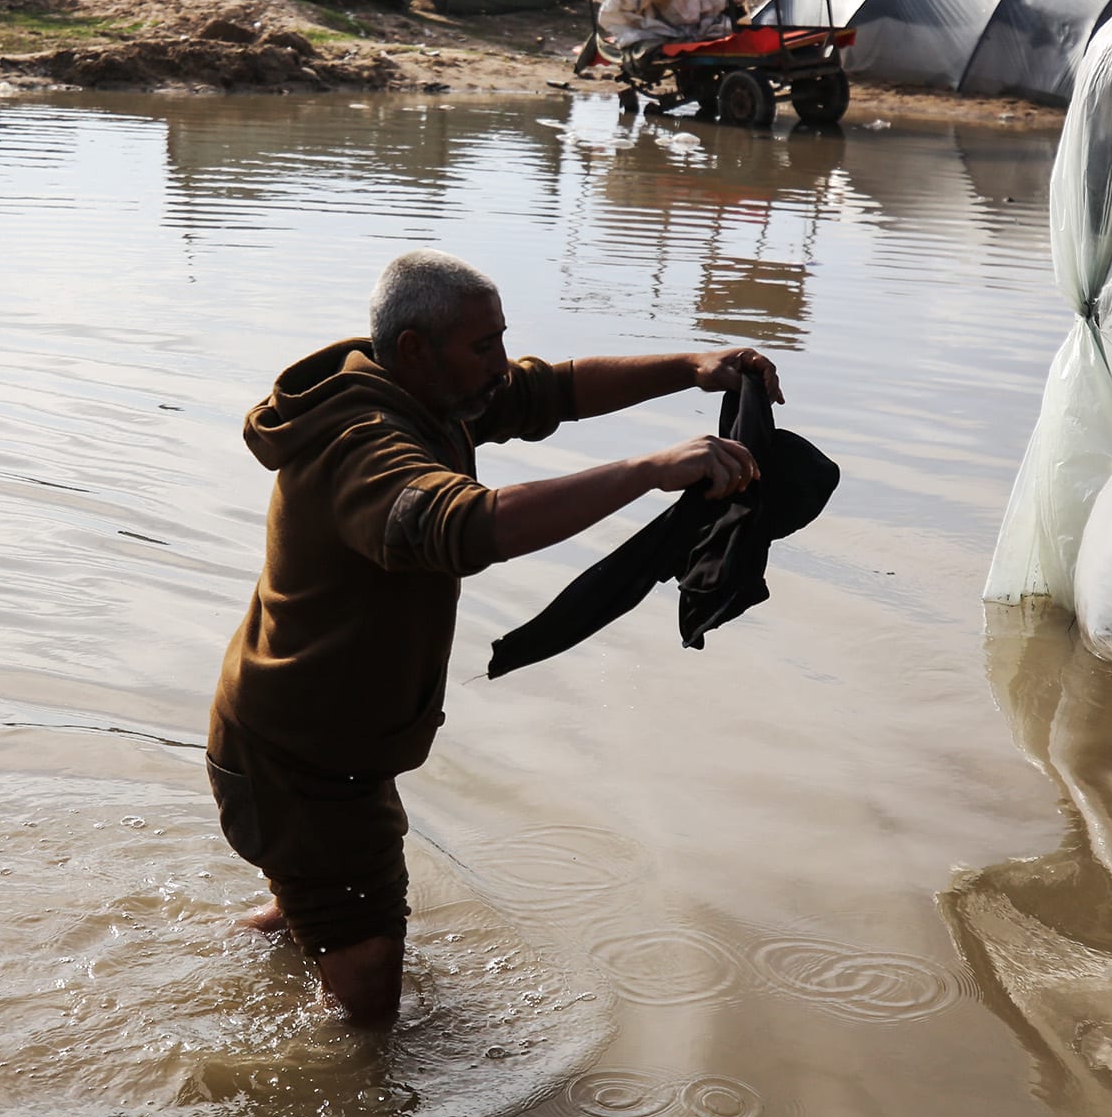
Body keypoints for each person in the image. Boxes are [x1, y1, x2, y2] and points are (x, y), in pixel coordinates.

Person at [208, 250, 781, 1024]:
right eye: (484, 347)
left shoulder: (433, 389)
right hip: (303, 763)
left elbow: (555, 389)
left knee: (305, 914)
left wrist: (694, 365)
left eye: (499, 340)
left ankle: (218, 973)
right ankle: (300, 1092)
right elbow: (463, 525)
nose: (500, 365)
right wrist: (646, 470)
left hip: (301, 735)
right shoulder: (362, 443)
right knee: (371, 1011)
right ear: (415, 348)